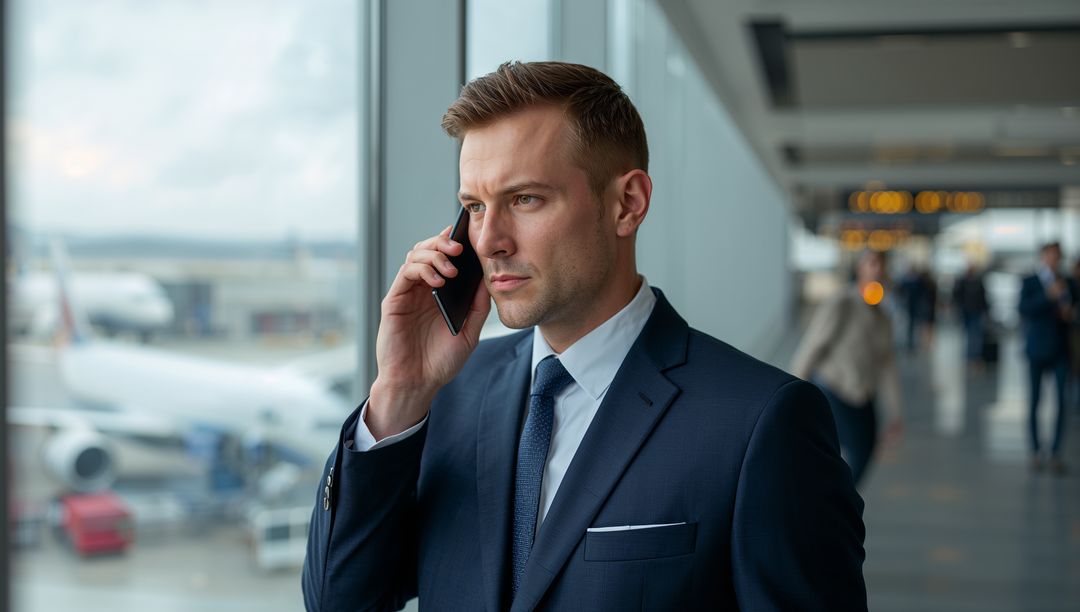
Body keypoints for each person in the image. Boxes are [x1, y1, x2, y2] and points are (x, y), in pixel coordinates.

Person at [301, 61, 866, 611]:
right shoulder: (445, 396)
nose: (489, 240)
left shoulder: (761, 422)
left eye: (525, 199)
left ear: (627, 204)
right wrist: (398, 392)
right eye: (474, 207)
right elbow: (340, 601)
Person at [791, 251, 903, 486]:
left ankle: (840, 505)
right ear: (860, 268)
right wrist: (792, 391)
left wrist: (895, 411)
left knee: (866, 448)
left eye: (881, 264)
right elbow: (813, 345)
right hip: (835, 388)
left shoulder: (883, 316)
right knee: (852, 449)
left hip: (863, 393)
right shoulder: (842, 303)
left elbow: (887, 365)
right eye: (871, 263)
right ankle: (837, 506)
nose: (877, 269)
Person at [1019, 242, 1076, 474]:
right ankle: (1035, 451)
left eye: (1057, 256)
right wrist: (1048, 296)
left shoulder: (1069, 283)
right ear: (1043, 257)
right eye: (1050, 255)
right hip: (1037, 349)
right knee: (1035, 401)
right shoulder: (1030, 282)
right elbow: (1024, 309)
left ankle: (1055, 452)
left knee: (1062, 402)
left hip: (1061, 350)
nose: (1054, 260)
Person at [952, 264, 989, 369]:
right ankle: (972, 358)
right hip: (968, 312)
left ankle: (973, 358)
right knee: (972, 335)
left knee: (973, 335)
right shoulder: (966, 282)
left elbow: (983, 298)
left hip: (974, 312)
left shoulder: (973, 282)